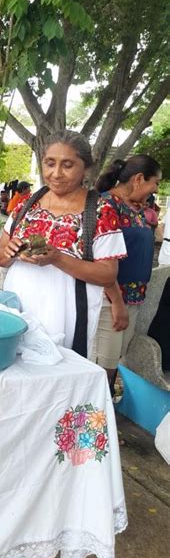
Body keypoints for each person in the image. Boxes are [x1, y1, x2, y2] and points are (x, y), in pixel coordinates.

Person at [0, 130, 127, 357]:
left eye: (67, 165)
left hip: (66, 320)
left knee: (55, 379)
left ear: (86, 168)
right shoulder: (27, 205)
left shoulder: (101, 212)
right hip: (17, 310)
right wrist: (12, 251)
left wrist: (58, 258)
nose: (56, 173)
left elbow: (106, 275)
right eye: (49, 163)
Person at [91, 155, 162, 389]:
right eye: (156, 183)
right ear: (139, 179)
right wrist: (118, 303)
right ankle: (95, 419)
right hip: (110, 300)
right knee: (102, 367)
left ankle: (105, 416)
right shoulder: (107, 205)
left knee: (113, 365)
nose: (156, 189)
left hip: (133, 298)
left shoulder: (137, 208)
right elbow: (103, 261)